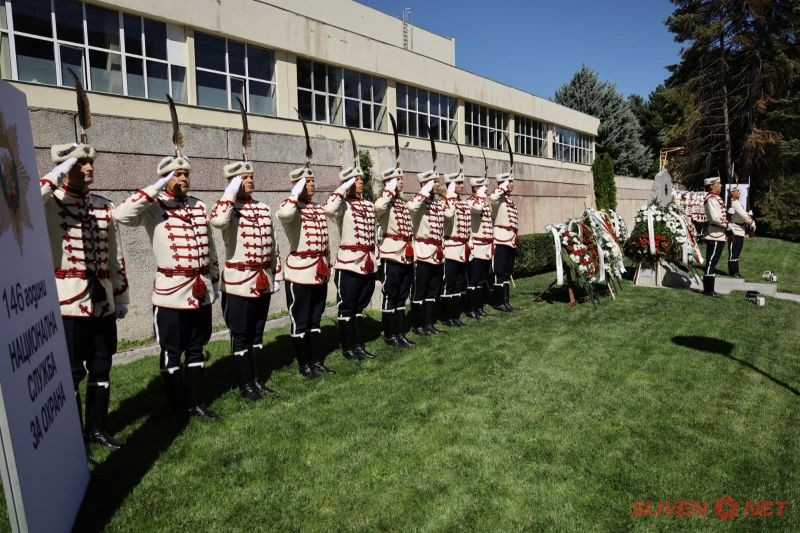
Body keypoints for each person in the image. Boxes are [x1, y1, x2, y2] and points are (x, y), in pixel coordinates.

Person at [114, 156, 221, 420]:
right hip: (171, 294)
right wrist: (156, 187)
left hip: (200, 291)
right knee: (171, 352)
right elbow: (121, 215)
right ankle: (176, 406)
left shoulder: (199, 206)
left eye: (186, 174)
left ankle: (195, 403)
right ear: (164, 178)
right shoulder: (153, 206)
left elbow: (210, 247)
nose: (183, 178)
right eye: (176, 174)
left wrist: (214, 281)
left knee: (196, 349)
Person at [40, 144, 129, 448]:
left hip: (102, 301)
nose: (90, 168)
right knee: (72, 372)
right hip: (69, 303)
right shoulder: (50, 203)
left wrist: (121, 296)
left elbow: (116, 257)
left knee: (102, 366)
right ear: (65, 168)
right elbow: (25, 200)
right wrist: (59, 171)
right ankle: (73, 438)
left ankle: (96, 429)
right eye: (81, 163)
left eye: (90, 162)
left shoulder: (103, 206)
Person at [209, 161, 282, 401]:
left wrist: (276, 274)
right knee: (241, 335)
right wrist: (230, 192)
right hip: (238, 284)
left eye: (251, 176)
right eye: (244, 178)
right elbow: (218, 221)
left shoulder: (263, 208)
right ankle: (245, 384)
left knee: (257, 333)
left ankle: (258, 380)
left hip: (262, 281)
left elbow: (272, 244)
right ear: (233, 182)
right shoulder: (226, 208)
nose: (250, 180)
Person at [277, 169, 332, 379]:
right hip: (300, 273)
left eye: (312, 181)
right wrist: (295, 192)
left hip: (318, 271)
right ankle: (304, 364)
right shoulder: (289, 207)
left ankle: (316, 360)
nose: (311, 185)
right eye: (306, 182)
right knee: (300, 320)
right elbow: (284, 214)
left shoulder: (317, 208)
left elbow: (325, 239)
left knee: (315, 319)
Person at [325, 158, 377, 361]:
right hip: (349, 264)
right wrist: (343, 187)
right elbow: (329, 209)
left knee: (358, 308)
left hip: (367, 263)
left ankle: (358, 345)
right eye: (355, 179)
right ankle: (348, 348)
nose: (360, 182)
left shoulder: (368, 205)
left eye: (361, 179)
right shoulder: (342, 205)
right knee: (347, 307)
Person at [408, 171, 454, 335]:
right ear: (424, 184)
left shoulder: (437, 204)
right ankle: (417, 324)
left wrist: (448, 195)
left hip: (436, 253)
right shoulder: (418, 202)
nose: (437, 184)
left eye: (437, 181)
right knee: (420, 290)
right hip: (422, 252)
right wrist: (424, 190)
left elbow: (449, 214)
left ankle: (428, 323)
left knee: (432, 290)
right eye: (433, 182)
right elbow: (411, 206)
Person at [375, 167, 415, 348]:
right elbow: (378, 207)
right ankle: (390, 334)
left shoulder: (401, 203)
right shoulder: (384, 201)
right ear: (389, 182)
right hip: (391, 254)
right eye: (397, 179)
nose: (401, 182)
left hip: (406, 254)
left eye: (401, 179)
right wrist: (388, 189)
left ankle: (400, 333)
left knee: (401, 295)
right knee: (390, 295)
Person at [441, 170, 471, 327]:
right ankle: (447, 317)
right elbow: (448, 215)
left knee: (459, 283)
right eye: (458, 183)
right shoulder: (445, 202)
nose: (462, 186)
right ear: (451, 185)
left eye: (461, 183)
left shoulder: (463, 203)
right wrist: (450, 195)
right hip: (451, 248)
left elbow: (468, 226)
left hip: (462, 249)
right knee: (449, 283)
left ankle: (455, 315)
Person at [489, 174, 519, 312]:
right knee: (499, 272)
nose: (512, 184)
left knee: (507, 272)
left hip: (511, 239)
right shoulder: (498, 198)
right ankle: (498, 302)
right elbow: (492, 197)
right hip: (501, 239)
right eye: (510, 182)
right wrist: (502, 187)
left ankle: (506, 302)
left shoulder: (509, 200)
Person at [466, 175, 493, 318]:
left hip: (486, 246)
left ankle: (479, 307)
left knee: (483, 278)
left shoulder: (485, 203)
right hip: (476, 246)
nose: (486, 189)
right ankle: (471, 308)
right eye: (483, 187)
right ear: (476, 188)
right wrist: (481, 197)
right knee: (474, 279)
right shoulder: (470, 202)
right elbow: (477, 209)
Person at [702, 176, 730, 297]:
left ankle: (710, 289)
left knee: (713, 262)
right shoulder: (712, 199)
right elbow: (715, 217)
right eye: (719, 183)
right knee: (711, 262)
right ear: (712, 186)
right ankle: (708, 290)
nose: (721, 185)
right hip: (715, 234)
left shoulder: (715, 198)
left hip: (718, 233)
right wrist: (727, 225)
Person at [726, 185, 755, 279]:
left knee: (737, 252)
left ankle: (736, 271)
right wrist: (751, 221)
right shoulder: (734, 203)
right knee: (733, 252)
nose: (739, 192)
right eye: (737, 191)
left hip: (740, 230)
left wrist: (748, 215)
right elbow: (742, 214)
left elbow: (744, 213)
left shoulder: (737, 202)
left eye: (739, 190)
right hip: (734, 230)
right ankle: (733, 272)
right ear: (732, 193)